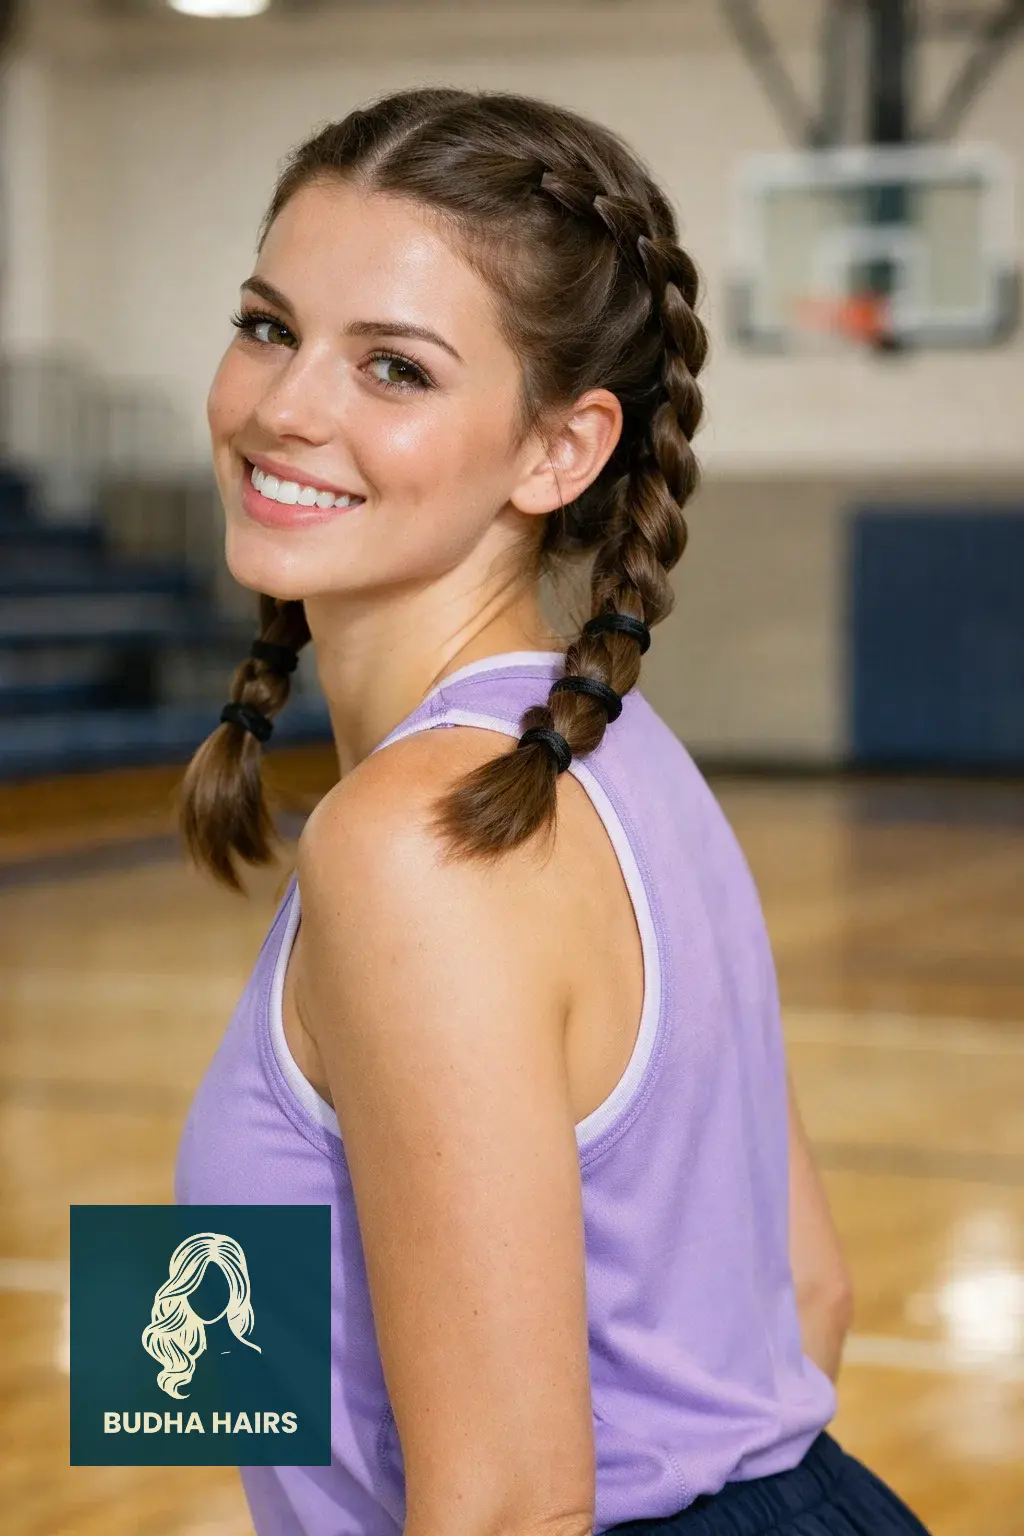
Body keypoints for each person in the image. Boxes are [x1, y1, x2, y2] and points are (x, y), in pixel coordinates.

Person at [174, 85, 932, 1536]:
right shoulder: (614, 750)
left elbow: (513, 1503)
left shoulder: (414, 841)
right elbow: (808, 1294)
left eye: (393, 368)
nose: (284, 404)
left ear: (559, 451)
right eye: (269, 325)